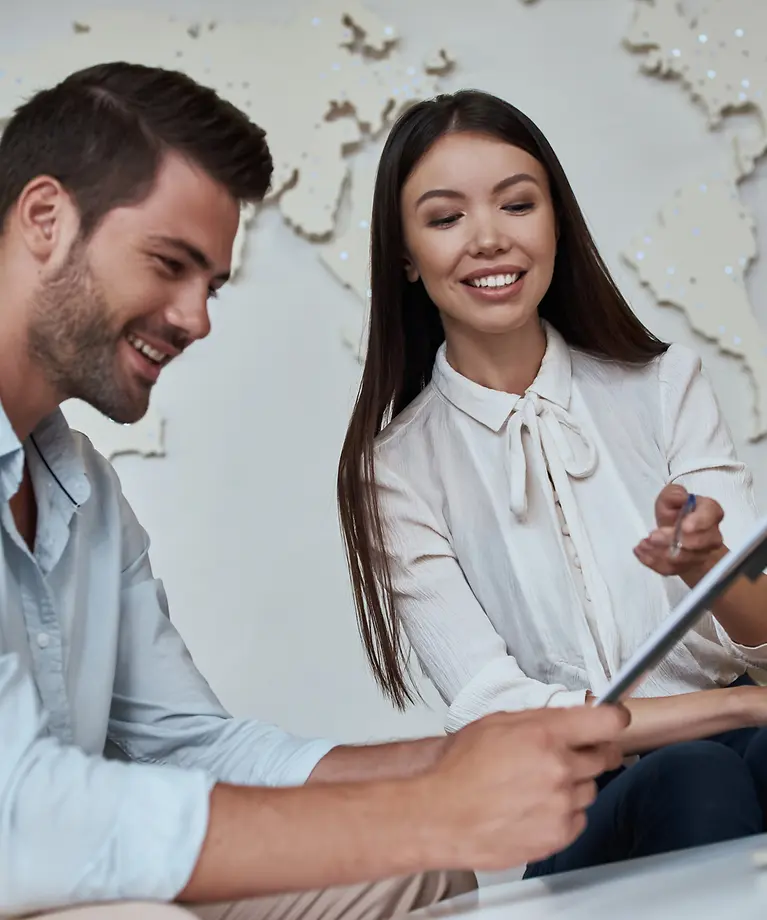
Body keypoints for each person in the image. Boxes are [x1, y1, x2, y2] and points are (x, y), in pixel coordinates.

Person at [0, 64, 633, 920]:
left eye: (212, 284)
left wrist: (455, 768)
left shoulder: (84, 493)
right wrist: (422, 810)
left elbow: (190, 745)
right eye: (169, 263)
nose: (197, 318)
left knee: (418, 872)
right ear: (46, 218)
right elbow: (20, 817)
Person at [337, 88, 767, 878]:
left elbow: (764, 645)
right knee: (699, 771)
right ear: (404, 254)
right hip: (568, 802)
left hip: (745, 738)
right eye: (445, 218)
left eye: (516, 205)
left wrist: (708, 566)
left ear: (555, 222)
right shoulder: (393, 471)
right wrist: (739, 703)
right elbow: (495, 711)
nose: (489, 239)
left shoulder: (664, 383)